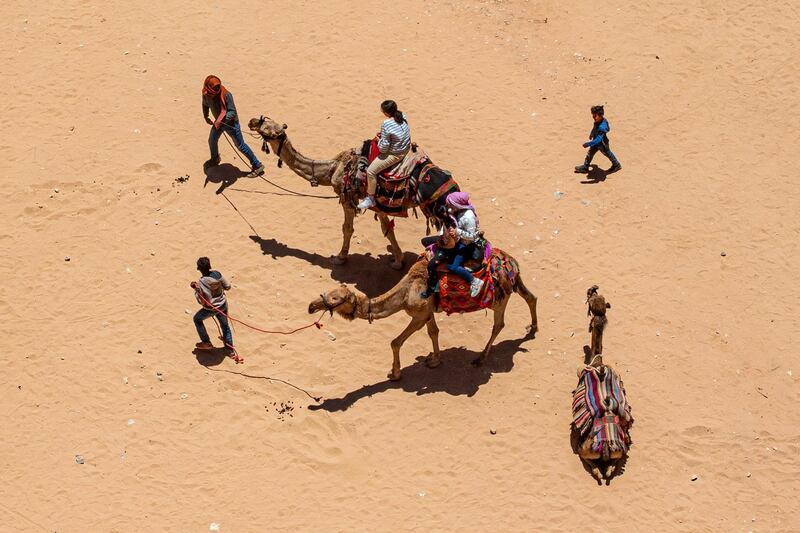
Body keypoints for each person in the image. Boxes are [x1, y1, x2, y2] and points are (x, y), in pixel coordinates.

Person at [420, 192, 485, 299]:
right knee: (425, 241)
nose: (449, 207)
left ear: (457, 204)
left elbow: (473, 237)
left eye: (451, 204)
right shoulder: (457, 210)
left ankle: (474, 281)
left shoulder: (468, 217)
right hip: (454, 239)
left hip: (466, 245)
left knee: (452, 266)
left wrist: (458, 232)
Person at [202, 75, 264, 177]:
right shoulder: (206, 93)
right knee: (212, 140)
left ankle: (257, 166)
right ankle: (215, 158)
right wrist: (206, 116)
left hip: (231, 124)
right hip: (219, 123)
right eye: (214, 88)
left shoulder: (226, 95)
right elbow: (204, 104)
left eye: (218, 87)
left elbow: (232, 111)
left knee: (240, 146)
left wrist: (224, 120)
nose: (217, 89)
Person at [357, 100, 411, 210]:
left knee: (370, 171)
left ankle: (370, 198)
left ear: (386, 113)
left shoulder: (386, 123)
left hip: (396, 154)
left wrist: (378, 140)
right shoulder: (402, 115)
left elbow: (384, 147)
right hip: (406, 148)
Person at [191, 257, 233, 351]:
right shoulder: (217, 274)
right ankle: (230, 350)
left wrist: (197, 289)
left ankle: (206, 342)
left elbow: (205, 301)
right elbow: (227, 286)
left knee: (197, 319)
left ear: (199, 269)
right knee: (225, 326)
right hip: (223, 305)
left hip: (211, 309)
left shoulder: (202, 281)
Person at [574, 105, 622, 174]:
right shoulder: (598, 120)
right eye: (592, 116)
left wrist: (588, 144)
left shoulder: (602, 126)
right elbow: (594, 127)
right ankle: (585, 167)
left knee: (608, 154)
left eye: (595, 116)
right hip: (595, 143)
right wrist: (591, 134)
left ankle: (616, 165)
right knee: (590, 153)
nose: (593, 118)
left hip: (602, 144)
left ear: (601, 115)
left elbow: (598, 139)